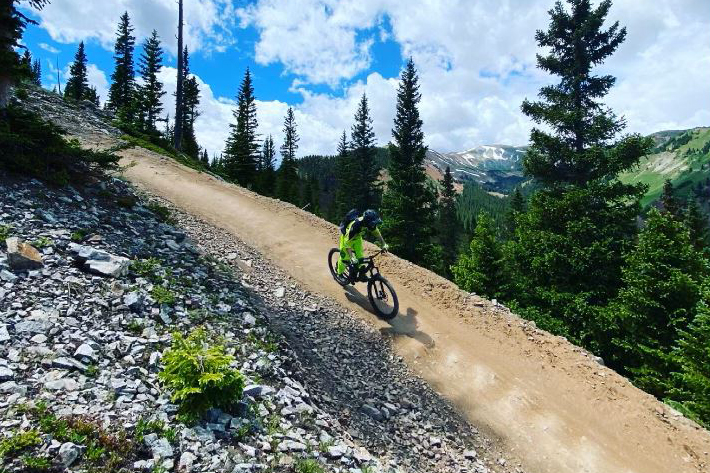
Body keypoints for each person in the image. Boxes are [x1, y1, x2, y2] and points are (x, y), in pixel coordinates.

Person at [337, 209, 388, 279]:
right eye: (373, 223)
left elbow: (377, 233)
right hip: (347, 239)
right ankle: (339, 273)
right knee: (345, 258)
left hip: (357, 238)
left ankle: (361, 273)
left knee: (360, 257)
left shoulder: (369, 224)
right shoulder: (355, 225)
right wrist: (351, 258)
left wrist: (383, 244)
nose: (373, 226)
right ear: (367, 221)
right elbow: (347, 243)